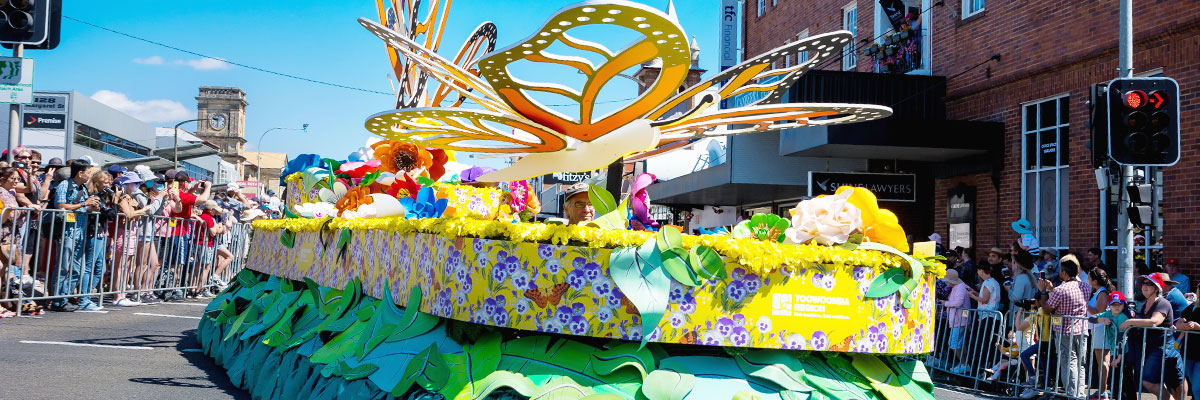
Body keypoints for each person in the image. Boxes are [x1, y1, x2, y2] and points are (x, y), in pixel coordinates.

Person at [1122, 273, 1186, 400]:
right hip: (1152, 348)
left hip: (1163, 348)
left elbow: (1154, 321)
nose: (1144, 286)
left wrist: (1130, 322)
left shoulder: (1162, 303)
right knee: (1159, 381)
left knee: (1154, 382)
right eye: (1143, 284)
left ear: (1156, 288)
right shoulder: (1146, 304)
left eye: (1149, 284)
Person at [1038, 254, 1092, 399]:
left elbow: (1046, 309)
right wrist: (1050, 290)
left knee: (1069, 363)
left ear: (1064, 272)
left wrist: (1043, 291)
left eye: (1061, 270)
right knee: (1080, 363)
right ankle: (1079, 394)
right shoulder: (1086, 287)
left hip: (1065, 330)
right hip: (1082, 329)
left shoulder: (1060, 290)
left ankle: (1071, 394)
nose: (1059, 272)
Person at [48, 160, 96, 312]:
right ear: (80, 173)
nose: (90, 175)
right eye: (88, 172)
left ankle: (65, 296)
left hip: (80, 231)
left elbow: (84, 208)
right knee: (63, 267)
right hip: (66, 232)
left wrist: (92, 206)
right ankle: (57, 300)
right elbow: (61, 205)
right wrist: (83, 204)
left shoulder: (83, 188)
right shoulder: (65, 185)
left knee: (76, 268)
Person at [77, 169, 113, 310]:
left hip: (101, 233)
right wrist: (113, 203)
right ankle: (83, 299)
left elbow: (110, 214)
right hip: (92, 233)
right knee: (89, 267)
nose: (108, 186)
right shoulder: (92, 195)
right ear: (97, 182)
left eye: (109, 183)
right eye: (105, 182)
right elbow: (110, 214)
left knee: (101, 269)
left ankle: (85, 296)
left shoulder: (103, 196)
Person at [965, 263, 1004, 373]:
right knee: (989, 341)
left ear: (981, 270)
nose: (978, 273)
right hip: (993, 315)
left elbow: (985, 300)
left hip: (987, 316)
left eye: (978, 271)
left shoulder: (987, 283)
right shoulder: (994, 282)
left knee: (983, 342)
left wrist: (972, 296)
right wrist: (975, 292)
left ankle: (981, 366)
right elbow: (987, 297)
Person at [1017, 291, 1055, 399]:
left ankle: (1033, 378)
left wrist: (1035, 305)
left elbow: (1040, 313)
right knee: (1044, 364)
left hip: (1045, 340)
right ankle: (1047, 389)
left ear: (1039, 301)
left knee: (1024, 355)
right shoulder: (1041, 310)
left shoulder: (1042, 311)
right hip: (1042, 340)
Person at [1087, 269, 1115, 400]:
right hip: (1098, 328)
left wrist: (1086, 304)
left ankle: (1103, 392)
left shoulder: (1102, 293)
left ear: (1095, 281)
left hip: (1101, 328)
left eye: (1089, 278)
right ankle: (1102, 390)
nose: (1088, 280)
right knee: (1102, 361)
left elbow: (1100, 312)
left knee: (1103, 362)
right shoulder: (1099, 292)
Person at [941, 269, 971, 373]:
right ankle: (964, 364)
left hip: (959, 320)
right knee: (960, 343)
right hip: (959, 320)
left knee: (953, 343)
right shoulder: (960, 286)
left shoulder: (960, 287)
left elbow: (959, 302)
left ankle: (964, 364)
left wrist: (946, 303)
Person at [1174, 284, 1200, 400]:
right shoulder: (1192, 307)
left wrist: (1198, 327)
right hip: (1188, 352)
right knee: (1195, 385)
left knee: (1196, 387)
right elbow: (1178, 324)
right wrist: (1184, 325)